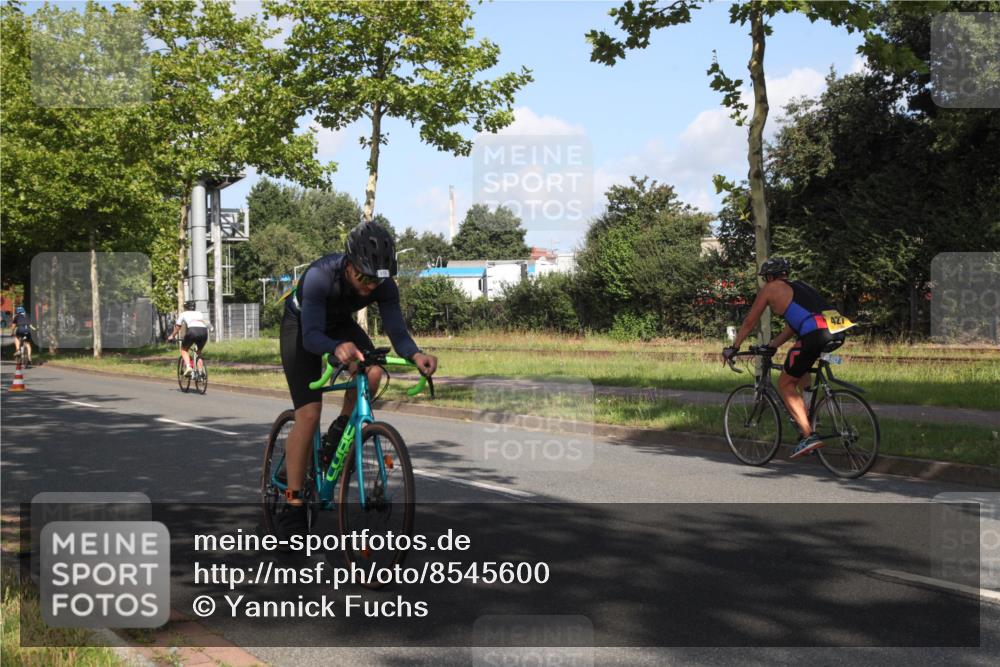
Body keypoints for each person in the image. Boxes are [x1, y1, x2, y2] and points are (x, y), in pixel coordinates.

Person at [278, 221, 437, 538]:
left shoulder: (383, 285)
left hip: (339, 325)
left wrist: (415, 354)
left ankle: (337, 437)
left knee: (373, 370)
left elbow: (397, 330)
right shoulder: (320, 276)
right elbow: (312, 337)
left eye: (377, 281)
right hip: (303, 327)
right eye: (364, 278)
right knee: (308, 414)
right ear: (349, 265)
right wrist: (335, 348)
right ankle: (293, 505)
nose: (370, 286)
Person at [723, 257, 839, 459]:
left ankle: (808, 435)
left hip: (814, 335)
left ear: (769, 277)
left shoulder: (771, 288)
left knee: (785, 383)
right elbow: (793, 326)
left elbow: (750, 321)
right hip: (836, 331)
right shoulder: (800, 286)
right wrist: (772, 345)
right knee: (799, 368)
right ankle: (809, 414)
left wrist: (733, 347)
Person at [167, 302, 210, 376]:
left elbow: (178, 327)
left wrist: (172, 336)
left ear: (186, 308)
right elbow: (206, 323)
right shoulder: (199, 313)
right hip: (204, 332)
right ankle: (200, 372)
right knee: (198, 352)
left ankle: (188, 367)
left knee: (184, 350)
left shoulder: (184, 313)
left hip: (192, 331)